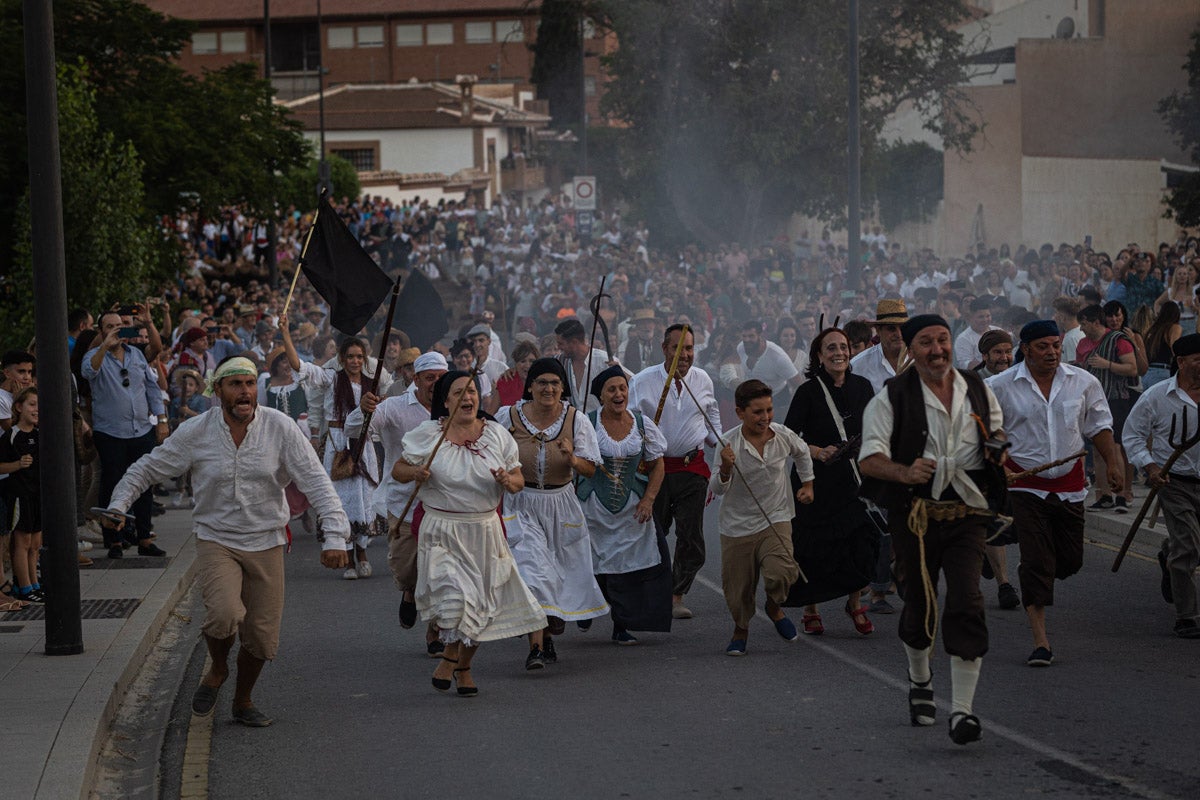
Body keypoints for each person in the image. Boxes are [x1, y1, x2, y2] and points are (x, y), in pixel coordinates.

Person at [104, 356, 353, 727]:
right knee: (223, 615)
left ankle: (242, 699)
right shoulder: (196, 431)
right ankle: (218, 669)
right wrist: (119, 503)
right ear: (217, 390)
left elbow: (316, 481)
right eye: (235, 384)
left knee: (262, 638)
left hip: (266, 539)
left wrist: (335, 535)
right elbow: (150, 467)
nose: (244, 392)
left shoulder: (280, 428)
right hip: (216, 538)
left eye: (250, 384)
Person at [860, 314, 1006, 746]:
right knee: (921, 603)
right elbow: (869, 460)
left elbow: (995, 432)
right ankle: (920, 680)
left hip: (967, 514)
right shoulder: (891, 398)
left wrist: (995, 451)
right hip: (915, 515)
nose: (938, 349)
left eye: (943, 340)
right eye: (926, 342)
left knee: (967, 600)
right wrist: (904, 472)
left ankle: (962, 711)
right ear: (909, 347)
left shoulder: (976, 387)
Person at [395, 371, 547, 695]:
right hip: (443, 531)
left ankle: (461, 668)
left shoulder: (496, 435)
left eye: (473, 391)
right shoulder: (428, 435)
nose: (468, 397)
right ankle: (451, 658)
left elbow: (519, 480)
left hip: (486, 530)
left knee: (482, 606)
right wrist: (416, 472)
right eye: (459, 392)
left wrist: (509, 480)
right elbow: (399, 469)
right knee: (455, 598)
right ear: (445, 400)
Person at [987, 320, 1121, 665]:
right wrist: (998, 462)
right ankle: (1041, 641)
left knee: (1070, 560)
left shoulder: (1083, 382)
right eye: (1043, 346)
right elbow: (983, 430)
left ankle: (1042, 573)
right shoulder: (999, 386)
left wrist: (1113, 463)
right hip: (1025, 486)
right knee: (1035, 561)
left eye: (1056, 346)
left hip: (1071, 487)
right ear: (1026, 349)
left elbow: (1100, 426)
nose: (1051, 352)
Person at [495, 358, 608, 669]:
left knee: (561, 576)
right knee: (533, 572)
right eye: (542, 382)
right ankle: (535, 648)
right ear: (530, 386)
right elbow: (490, 449)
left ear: (563, 388)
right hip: (522, 503)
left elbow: (591, 468)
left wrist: (572, 458)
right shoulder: (509, 416)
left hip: (562, 504)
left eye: (555, 383)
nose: (548, 388)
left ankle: (547, 634)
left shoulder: (577, 420)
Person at [345, 351, 449, 657]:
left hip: (445, 504)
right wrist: (362, 411)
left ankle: (436, 631)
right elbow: (354, 430)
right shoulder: (394, 407)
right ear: (414, 379)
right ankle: (408, 593)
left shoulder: (457, 407)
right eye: (430, 378)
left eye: (442, 378)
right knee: (409, 571)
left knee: (440, 573)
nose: (436, 384)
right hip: (403, 504)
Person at [782, 327, 880, 633]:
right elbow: (787, 436)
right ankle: (811, 608)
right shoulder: (807, 392)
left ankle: (853, 604)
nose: (839, 352)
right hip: (813, 480)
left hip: (851, 478)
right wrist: (816, 451)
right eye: (831, 348)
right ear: (819, 356)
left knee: (861, 540)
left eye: (843, 347)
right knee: (813, 547)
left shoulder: (863, 387)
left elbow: (875, 427)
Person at [712, 379, 814, 655]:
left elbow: (803, 453)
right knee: (738, 591)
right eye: (757, 412)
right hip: (737, 525)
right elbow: (717, 488)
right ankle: (741, 629)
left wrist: (807, 485)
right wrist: (725, 468)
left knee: (782, 573)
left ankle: (773, 606)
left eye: (768, 410)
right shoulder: (727, 443)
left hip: (776, 517)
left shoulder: (782, 435)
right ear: (740, 412)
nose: (765, 417)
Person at [629, 324, 721, 620]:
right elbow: (631, 424)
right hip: (656, 470)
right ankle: (650, 590)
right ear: (664, 349)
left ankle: (676, 595)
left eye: (690, 349)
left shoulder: (703, 379)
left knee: (691, 538)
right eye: (678, 349)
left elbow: (712, 415)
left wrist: (719, 443)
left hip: (693, 468)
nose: (684, 356)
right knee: (654, 534)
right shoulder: (642, 381)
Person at [576, 365, 671, 645]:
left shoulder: (642, 424)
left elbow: (658, 465)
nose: (619, 394)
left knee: (627, 569)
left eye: (622, 388)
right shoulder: (587, 423)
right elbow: (581, 465)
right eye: (612, 389)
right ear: (601, 396)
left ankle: (621, 624)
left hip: (631, 506)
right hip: (593, 506)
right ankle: (589, 606)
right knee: (593, 563)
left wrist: (648, 500)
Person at [1123, 333, 1200, 639]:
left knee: (1190, 546)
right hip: (1173, 481)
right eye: (1198, 359)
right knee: (1188, 546)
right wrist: (1150, 466)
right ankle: (1187, 615)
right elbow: (1132, 435)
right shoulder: (1156, 396)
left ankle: (1168, 556)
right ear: (1181, 362)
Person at [81, 311, 168, 560]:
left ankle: (144, 536)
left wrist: (161, 419)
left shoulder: (136, 355)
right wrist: (104, 346)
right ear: (101, 331)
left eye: (120, 326)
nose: (117, 331)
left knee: (143, 482)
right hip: (110, 432)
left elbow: (152, 388)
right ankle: (115, 539)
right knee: (112, 483)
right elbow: (89, 371)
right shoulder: (94, 356)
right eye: (110, 327)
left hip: (140, 429)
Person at [1076, 304, 1139, 512]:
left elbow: (1132, 368)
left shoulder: (1118, 340)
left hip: (1115, 399)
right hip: (1092, 400)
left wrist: (1107, 364)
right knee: (1096, 449)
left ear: (1095, 321)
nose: (1082, 328)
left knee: (1115, 447)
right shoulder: (1083, 343)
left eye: (1084, 323)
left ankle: (1120, 495)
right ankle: (1104, 495)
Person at [0, 389, 44, 603]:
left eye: (38, 405)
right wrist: (17, 465)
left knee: (35, 543)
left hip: (38, 495)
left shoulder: (39, 434)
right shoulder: (11, 436)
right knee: (22, 542)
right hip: (19, 495)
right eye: (32, 404)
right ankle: (24, 586)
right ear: (19, 407)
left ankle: (34, 583)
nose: (36, 410)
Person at [555, 318, 613, 414]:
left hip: (600, 425)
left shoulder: (603, 360)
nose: (558, 347)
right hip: (572, 425)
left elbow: (632, 383)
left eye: (561, 343)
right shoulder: (559, 362)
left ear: (574, 342)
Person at [851, 299, 908, 393]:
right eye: (891, 329)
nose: (899, 334)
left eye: (902, 328)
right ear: (878, 331)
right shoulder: (858, 365)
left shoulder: (919, 360)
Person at [737, 320, 800, 397]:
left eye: (751, 336)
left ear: (760, 336)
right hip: (753, 397)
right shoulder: (741, 348)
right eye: (744, 336)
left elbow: (799, 384)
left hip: (777, 397)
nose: (747, 340)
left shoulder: (778, 357)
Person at [1142, 301, 1183, 390]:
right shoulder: (1174, 327)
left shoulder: (1152, 329)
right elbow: (1175, 348)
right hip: (1162, 373)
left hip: (1147, 374)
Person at [496, 340, 538, 407]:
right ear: (516, 364)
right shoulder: (505, 381)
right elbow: (491, 412)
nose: (527, 365)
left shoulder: (544, 382)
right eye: (523, 361)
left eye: (532, 361)